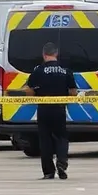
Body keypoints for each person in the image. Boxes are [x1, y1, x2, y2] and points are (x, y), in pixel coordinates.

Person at [21, 42, 78, 179]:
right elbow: (73, 93)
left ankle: (48, 172)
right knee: (62, 138)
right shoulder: (66, 71)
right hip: (59, 109)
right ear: (56, 54)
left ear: (44, 54)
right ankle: (62, 163)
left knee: (45, 140)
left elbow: (29, 91)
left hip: (44, 109)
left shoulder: (38, 71)